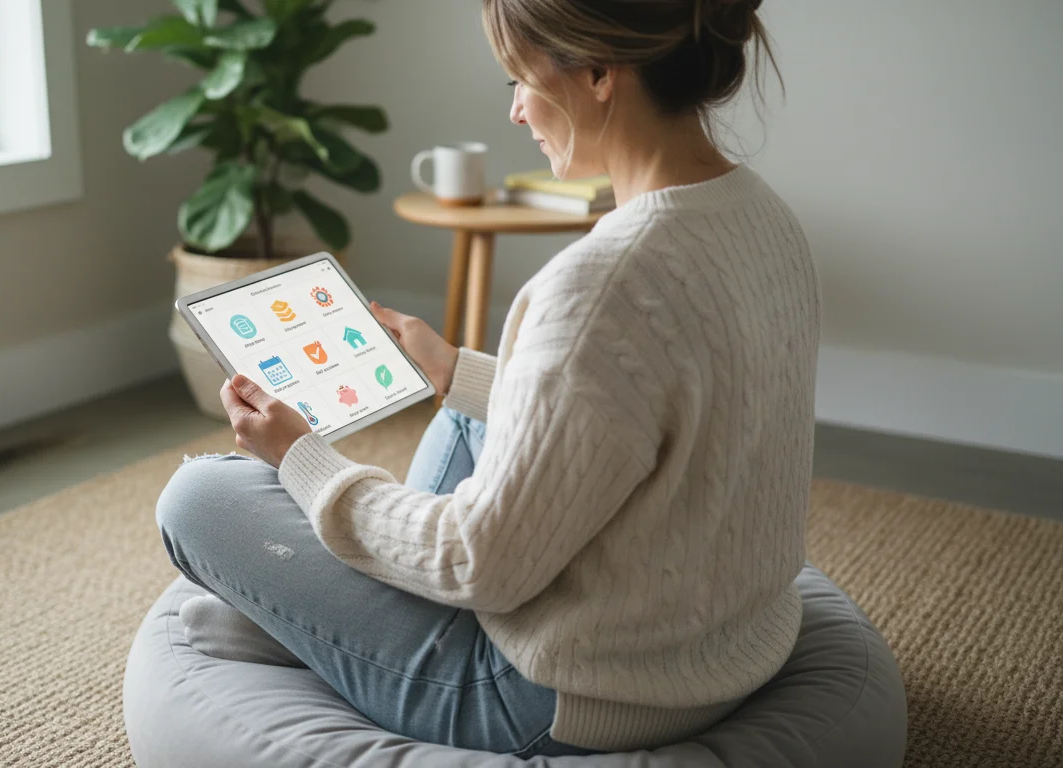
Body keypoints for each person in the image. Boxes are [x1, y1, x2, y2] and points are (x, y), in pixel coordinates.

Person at [155, 0, 819, 758]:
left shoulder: (601, 285)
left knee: (199, 497)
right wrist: (453, 372)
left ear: (600, 72)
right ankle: (333, 607)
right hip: (730, 651)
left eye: (519, 79)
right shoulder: (763, 217)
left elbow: (480, 562)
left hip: (559, 695)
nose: (513, 111)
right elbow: (631, 404)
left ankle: (299, 624)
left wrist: (303, 458)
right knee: (474, 411)